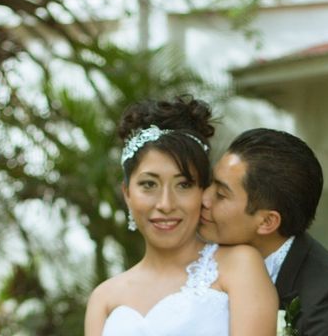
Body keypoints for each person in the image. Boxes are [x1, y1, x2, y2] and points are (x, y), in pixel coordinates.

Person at [84, 97, 278, 336]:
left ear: (202, 191)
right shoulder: (103, 299)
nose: (166, 204)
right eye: (149, 184)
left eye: (184, 185)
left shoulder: (239, 265)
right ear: (127, 194)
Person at [200, 128, 328, 336]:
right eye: (210, 182)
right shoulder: (193, 259)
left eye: (220, 194)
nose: (204, 199)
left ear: (267, 221)